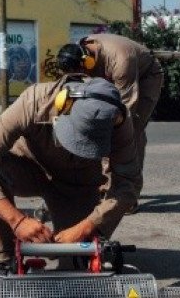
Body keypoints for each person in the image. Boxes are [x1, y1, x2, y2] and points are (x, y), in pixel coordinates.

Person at [0, 75, 140, 274]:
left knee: (77, 266)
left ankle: (75, 247)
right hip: (29, 171)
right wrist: (17, 220)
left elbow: (127, 184)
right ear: (64, 105)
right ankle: (6, 261)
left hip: (76, 185)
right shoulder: (34, 101)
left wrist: (86, 226)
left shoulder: (119, 120)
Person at [56, 33, 163, 211]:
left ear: (87, 62)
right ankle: (102, 185)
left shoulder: (122, 61)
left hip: (146, 77)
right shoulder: (78, 52)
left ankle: (128, 195)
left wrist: (104, 138)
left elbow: (122, 113)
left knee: (130, 131)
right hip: (110, 74)